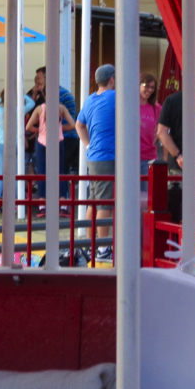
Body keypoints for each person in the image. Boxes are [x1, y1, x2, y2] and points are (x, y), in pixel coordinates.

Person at [75, 64, 116, 261]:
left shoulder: (90, 100)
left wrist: (88, 145)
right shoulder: (115, 97)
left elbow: (79, 124)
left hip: (94, 157)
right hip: (108, 156)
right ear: (112, 80)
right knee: (105, 204)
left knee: (94, 200)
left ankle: (88, 245)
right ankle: (103, 248)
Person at [25, 100, 77, 205]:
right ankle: (62, 201)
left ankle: (42, 202)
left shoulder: (39, 108)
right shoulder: (61, 108)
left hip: (42, 142)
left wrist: (40, 130)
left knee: (42, 172)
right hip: (58, 141)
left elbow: (28, 127)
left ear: (44, 95)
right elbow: (72, 125)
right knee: (60, 171)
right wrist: (60, 128)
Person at [0, 88, 35, 200]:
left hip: (2, 144)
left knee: (1, 172)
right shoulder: (19, 110)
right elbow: (32, 103)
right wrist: (21, 93)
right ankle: (14, 198)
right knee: (16, 172)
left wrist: (1, 98)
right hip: (16, 144)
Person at [33, 66, 80, 174]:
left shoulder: (55, 95)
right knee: (60, 172)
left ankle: (59, 191)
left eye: (39, 78)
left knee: (58, 172)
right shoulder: (59, 92)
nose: (37, 82)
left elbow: (50, 117)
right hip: (67, 136)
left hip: (64, 137)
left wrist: (43, 129)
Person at [138, 72, 161, 188]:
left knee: (147, 197)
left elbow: (163, 129)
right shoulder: (129, 106)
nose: (150, 90)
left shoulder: (156, 108)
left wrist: (155, 138)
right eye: (147, 86)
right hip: (131, 157)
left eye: (152, 87)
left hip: (149, 157)